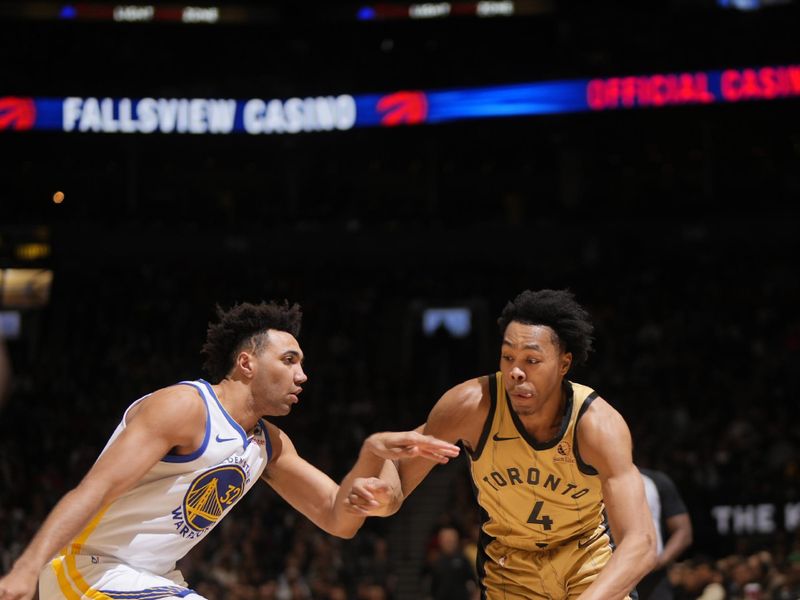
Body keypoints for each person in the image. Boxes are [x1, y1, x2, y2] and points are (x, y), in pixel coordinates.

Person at [0, 300, 460, 600]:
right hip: (88, 568)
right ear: (246, 363)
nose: (303, 376)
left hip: (152, 579)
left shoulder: (270, 444)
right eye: (289, 360)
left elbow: (337, 518)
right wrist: (26, 568)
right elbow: (93, 490)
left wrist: (370, 457)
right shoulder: (183, 408)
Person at [370, 289, 657, 599]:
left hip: (585, 557)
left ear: (564, 364)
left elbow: (640, 541)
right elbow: (398, 466)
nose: (516, 372)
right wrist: (385, 497)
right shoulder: (470, 406)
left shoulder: (597, 425)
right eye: (508, 357)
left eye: (532, 360)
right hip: (510, 566)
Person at [637, 466, 693, 599]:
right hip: (605, 573)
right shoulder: (589, 480)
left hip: (653, 580)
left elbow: (683, 531)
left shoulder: (655, 481)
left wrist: (660, 561)